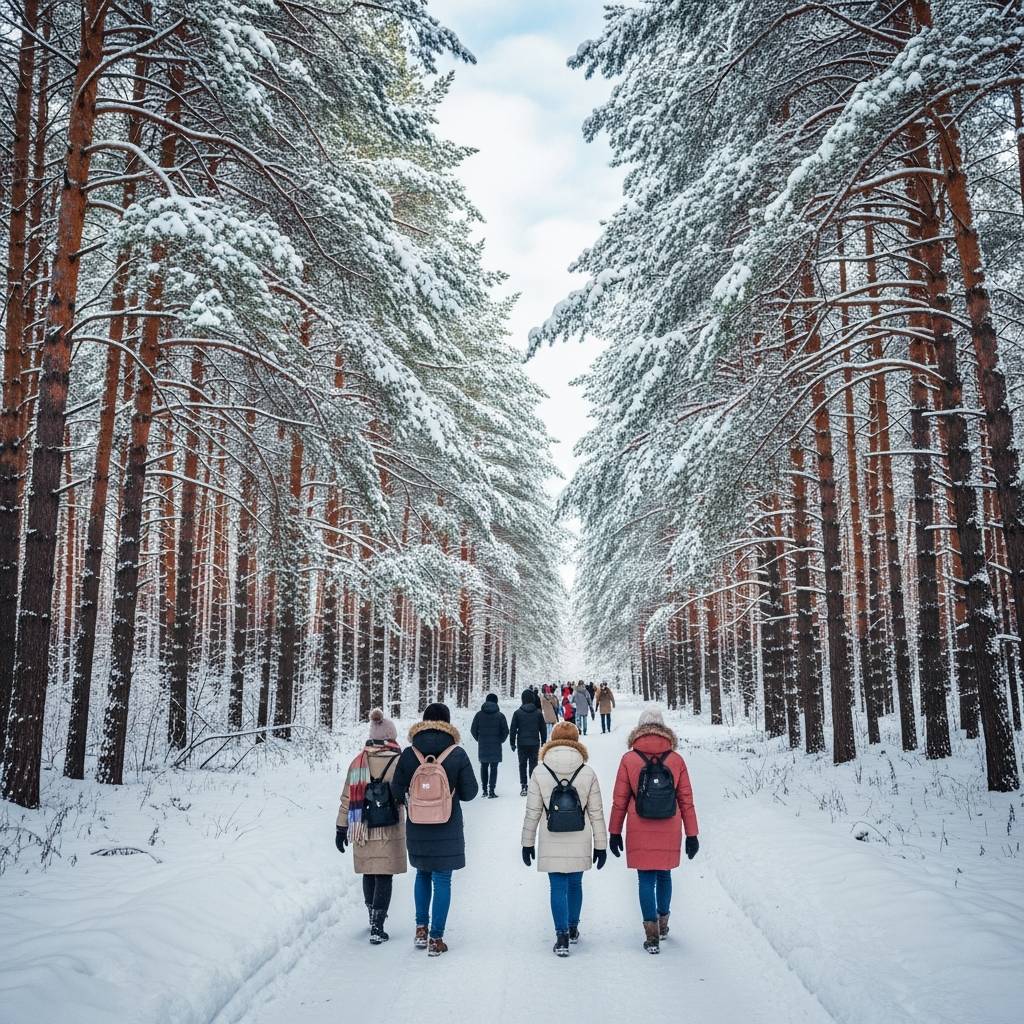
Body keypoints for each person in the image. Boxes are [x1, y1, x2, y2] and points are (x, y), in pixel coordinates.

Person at [608, 707, 699, 954]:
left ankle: (651, 935)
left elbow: (620, 799)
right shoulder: (676, 760)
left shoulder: (629, 759)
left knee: (645, 879)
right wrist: (692, 834)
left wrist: (614, 831)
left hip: (639, 825)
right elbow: (686, 799)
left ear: (639, 729)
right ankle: (663, 924)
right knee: (664, 876)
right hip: (670, 825)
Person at [391, 702, 479, 956]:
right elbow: (471, 792)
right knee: (442, 879)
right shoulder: (457, 753)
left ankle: (421, 929)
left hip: (418, 825)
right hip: (447, 825)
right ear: (448, 723)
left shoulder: (409, 753)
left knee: (422, 875)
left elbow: (396, 790)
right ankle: (436, 938)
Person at [521, 722, 608, 956]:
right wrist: (601, 845)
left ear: (552, 740)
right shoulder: (587, 772)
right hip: (580, 836)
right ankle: (572, 928)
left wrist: (527, 843)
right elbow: (596, 812)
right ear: (577, 741)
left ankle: (561, 937)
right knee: (575, 884)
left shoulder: (540, 771)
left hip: (551, 835)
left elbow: (533, 811)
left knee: (557, 886)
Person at [335, 709, 407, 945]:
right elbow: (407, 794)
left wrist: (340, 827)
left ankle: (371, 916)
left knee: (369, 871)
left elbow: (347, 797)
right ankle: (378, 925)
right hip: (389, 827)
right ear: (391, 737)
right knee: (384, 874)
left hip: (362, 826)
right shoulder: (398, 760)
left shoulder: (358, 762)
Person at [509, 688, 548, 796]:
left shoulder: (517, 713)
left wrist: (512, 742)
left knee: (522, 765)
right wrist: (544, 742)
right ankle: (533, 785)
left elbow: (513, 729)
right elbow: (543, 729)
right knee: (533, 764)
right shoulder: (538, 713)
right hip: (534, 743)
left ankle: (524, 786)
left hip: (521, 743)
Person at [470, 692, 509, 797]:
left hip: (483, 744)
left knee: (484, 766)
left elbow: (473, 729)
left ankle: (484, 790)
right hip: (496, 745)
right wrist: (500, 740)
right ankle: (492, 790)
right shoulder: (500, 716)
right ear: (496, 702)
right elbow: (506, 731)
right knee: (494, 767)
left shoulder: (479, 715)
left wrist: (479, 739)